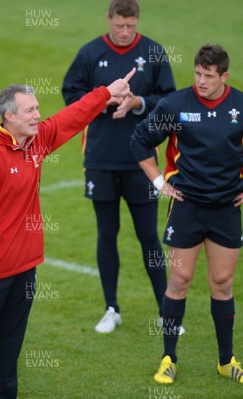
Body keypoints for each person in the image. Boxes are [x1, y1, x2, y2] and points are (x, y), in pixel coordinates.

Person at [0, 70, 134, 399]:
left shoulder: (35, 141)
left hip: (25, 269)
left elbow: (69, 119)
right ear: (9, 116)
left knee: (7, 352)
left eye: (37, 108)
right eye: (30, 110)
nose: (38, 115)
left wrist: (106, 92)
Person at [130, 44, 243, 384]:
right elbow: (140, 141)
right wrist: (158, 182)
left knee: (222, 283)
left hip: (227, 209)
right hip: (186, 206)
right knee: (180, 281)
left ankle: (226, 361)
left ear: (224, 76)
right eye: (197, 74)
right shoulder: (174, 105)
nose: (200, 81)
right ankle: (168, 358)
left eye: (208, 76)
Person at [62, 0, 176, 333]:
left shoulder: (154, 53)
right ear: (108, 19)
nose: (125, 32)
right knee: (107, 234)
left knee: (149, 237)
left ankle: (166, 312)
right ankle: (111, 308)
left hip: (142, 163)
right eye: (119, 25)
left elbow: (169, 100)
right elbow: (71, 95)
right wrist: (104, 100)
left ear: (137, 20)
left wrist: (138, 102)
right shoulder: (89, 53)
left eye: (131, 25)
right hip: (100, 160)